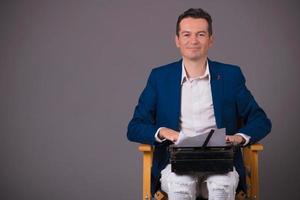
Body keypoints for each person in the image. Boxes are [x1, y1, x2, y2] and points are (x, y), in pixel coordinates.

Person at [127, 8, 271, 200]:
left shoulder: (230, 76)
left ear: (211, 39)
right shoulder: (160, 77)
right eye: (186, 34)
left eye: (200, 34)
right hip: (175, 163)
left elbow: (261, 120)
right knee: (181, 184)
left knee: (221, 186)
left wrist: (238, 137)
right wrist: (163, 132)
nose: (193, 41)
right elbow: (135, 127)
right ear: (177, 40)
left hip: (221, 162)